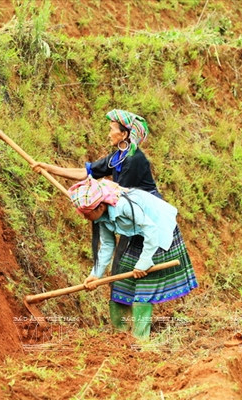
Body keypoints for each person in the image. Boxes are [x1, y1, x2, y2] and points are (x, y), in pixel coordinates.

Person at [33, 109, 163, 331]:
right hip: (126, 219)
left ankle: (141, 338)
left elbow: (122, 193)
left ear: (124, 134)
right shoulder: (117, 157)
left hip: (147, 220)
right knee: (120, 273)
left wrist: (93, 201)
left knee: (141, 276)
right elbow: (88, 172)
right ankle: (121, 334)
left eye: (112, 130)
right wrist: (50, 168)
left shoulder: (135, 160)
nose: (108, 134)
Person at [68, 176, 198, 338]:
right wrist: (95, 274)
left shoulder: (123, 206)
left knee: (144, 287)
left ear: (100, 207)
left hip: (159, 229)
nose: (85, 218)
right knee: (122, 283)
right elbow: (108, 245)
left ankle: (140, 340)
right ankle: (120, 335)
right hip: (140, 233)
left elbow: (151, 230)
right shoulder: (100, 217)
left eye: (86, 214)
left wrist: (144, 262)